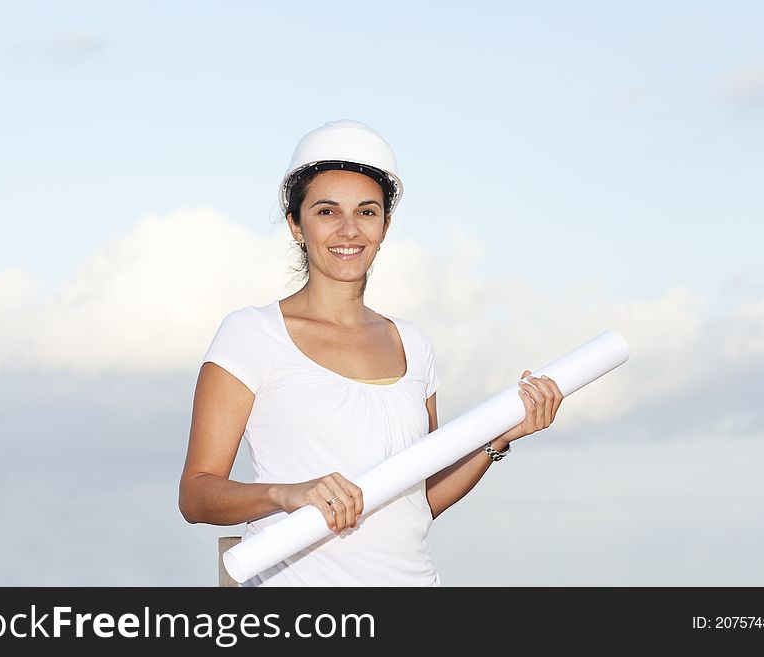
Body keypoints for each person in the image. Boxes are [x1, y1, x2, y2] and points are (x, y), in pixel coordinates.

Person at [178, 119, 564, 586]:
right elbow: (196, 496)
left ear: (385, 226)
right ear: (296, 226)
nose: (348, 230)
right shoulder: (252, 334)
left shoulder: (413, 344)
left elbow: (418, 499)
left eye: (366, 212)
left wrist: (499, 438)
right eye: (326, 212)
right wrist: (289, 494)